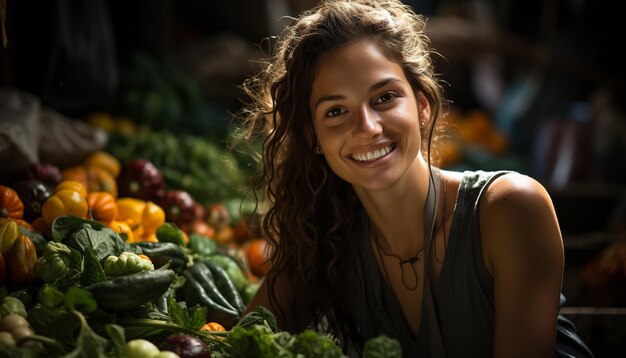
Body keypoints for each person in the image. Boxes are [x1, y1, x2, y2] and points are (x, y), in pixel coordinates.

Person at [236, 0, 594, 357]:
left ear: (423, 106)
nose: (368, 128)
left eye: (385, 97)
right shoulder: (326, 242)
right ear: (312, 136)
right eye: (336, 111)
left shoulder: (509, 208)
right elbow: (238, 344)